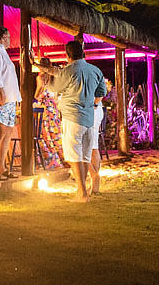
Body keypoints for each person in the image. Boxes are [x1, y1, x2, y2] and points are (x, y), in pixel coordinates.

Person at [44, 40, 107, 202]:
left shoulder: (68, 70)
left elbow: (54, 88)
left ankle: (82, 193)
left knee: (74, 156)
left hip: (73, 118)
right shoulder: (95, 70)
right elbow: (101, 92)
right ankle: (82, 191)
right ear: (83, 53)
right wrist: (92, 105)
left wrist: (44, 80)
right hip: (89, 119)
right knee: (85, 156)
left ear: (68, 55)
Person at [0, 26, 21, 178]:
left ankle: (2, 165)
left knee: (7, 131)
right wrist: (1, 91)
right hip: (3, 97)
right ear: (3, 37)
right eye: (9, 37)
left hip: (10, 97)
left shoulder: (2, 51)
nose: (10, 41)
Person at [33, 57, 63, 169]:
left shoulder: (40, 78)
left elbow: (37, 94)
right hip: (54, 108)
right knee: (55, 133)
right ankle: (62, 158)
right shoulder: (54, 78)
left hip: (45, 109)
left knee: (45, 134)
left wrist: (37, 97)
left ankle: (51, 160)